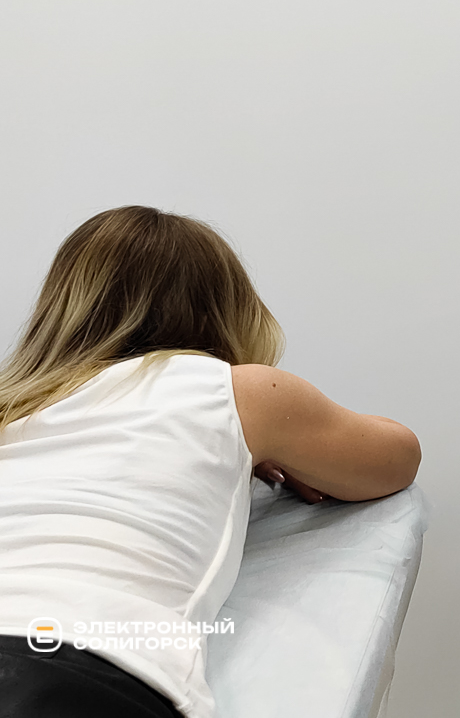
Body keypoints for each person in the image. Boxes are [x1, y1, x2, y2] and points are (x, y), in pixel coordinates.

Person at [0, 206, 421, 718]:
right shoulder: (235, 392)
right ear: (224, 308)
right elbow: (397, 457)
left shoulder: (11, 408)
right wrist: (270, 445)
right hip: (78, 662)